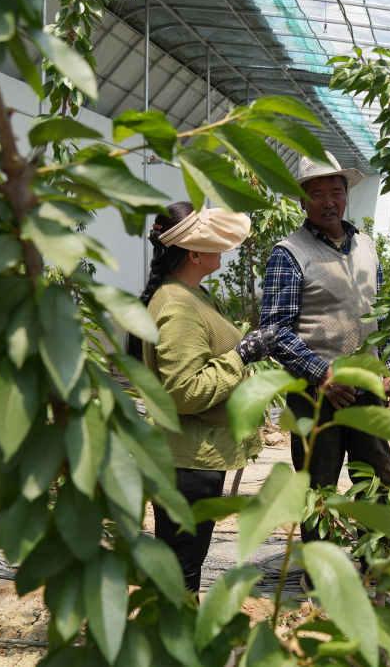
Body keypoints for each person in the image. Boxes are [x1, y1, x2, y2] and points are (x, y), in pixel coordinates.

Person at [128, 201, 275, 594]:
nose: (223, 250)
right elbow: (185, 392)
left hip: (193, 455)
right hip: (187, 463)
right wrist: (241, 355)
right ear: (193, 254)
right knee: (181, 567)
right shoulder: (178, 306)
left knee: (181, 561)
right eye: (215, 244)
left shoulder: (190, 294)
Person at [258, 151, 390, 552]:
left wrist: (389, 368)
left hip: (367, 388)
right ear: (302, 200)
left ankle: (375, 566)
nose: (329, 201)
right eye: (317, 194)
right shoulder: (289, 253)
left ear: (346, 195)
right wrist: (321, 374)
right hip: (315, 395)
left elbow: (381, 317)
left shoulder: (367, 246)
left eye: (336, 192)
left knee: (376, 475)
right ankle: (321, 575)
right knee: (318, 485)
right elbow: (274, 332)